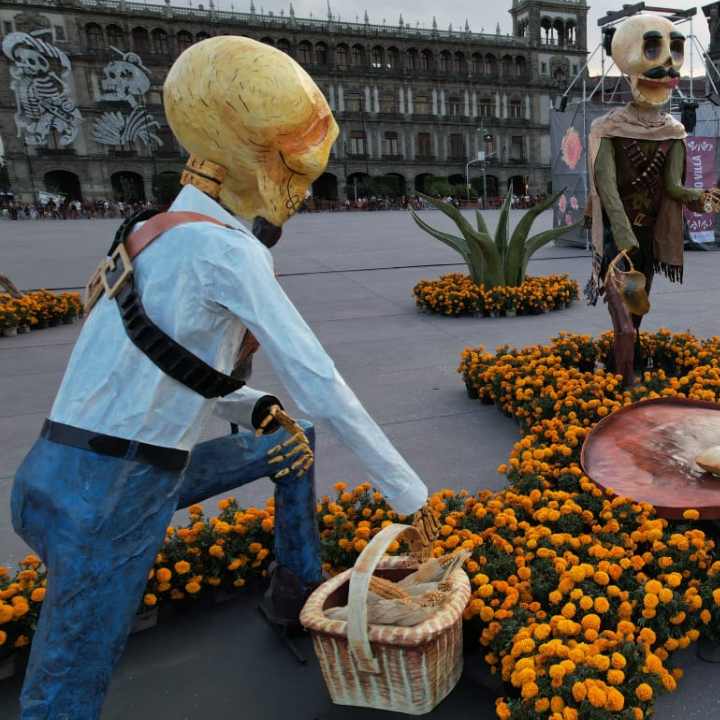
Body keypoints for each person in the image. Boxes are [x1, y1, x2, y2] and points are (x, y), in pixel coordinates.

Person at [10, 37, 435, 719]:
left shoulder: (147, 229)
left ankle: (295, 585)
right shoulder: (227, 251)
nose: (299, 190)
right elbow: (320, 380)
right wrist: (408, 495)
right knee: (61, 697)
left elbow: (149, 363)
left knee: (288, 443)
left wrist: (249, 403)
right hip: (115, 500)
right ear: (258, 163)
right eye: (295, 169)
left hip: (53, 477)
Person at [585, 14, 720, 387]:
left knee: (637, 312)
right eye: (652, 50)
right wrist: (621, 231)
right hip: (620, 244)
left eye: (672, 53)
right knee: (624, 318)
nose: (665, 65)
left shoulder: (674, 132)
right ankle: (626, 377)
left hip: (648, 239)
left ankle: (623, 366)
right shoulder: (606, 129)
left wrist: (702, 198)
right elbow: (606, 187)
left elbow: (673, 188)